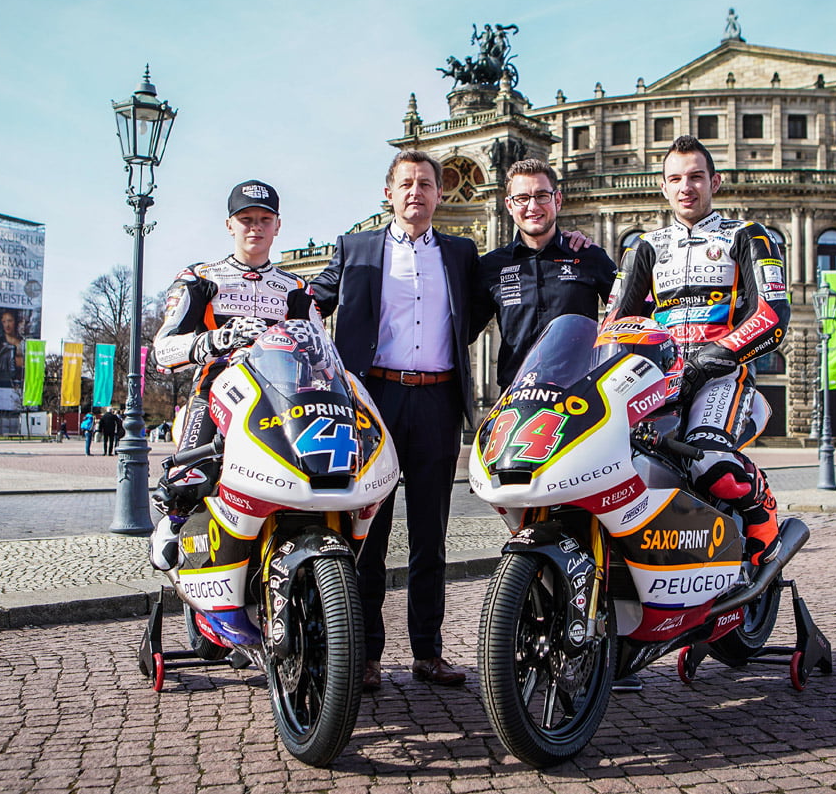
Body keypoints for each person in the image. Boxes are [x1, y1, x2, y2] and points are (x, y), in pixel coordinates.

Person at [311, 150, 477, 690]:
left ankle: (428, 652)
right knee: (369, 533)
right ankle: (366, 655)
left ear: (439, 194)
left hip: (437, 401)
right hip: (373, 397)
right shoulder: (355, 248)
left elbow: (490, 301)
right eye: (406, 184)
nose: (415, 193)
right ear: (389, 193)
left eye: (425, 184)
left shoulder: (461, 253)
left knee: (431, 535)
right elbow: (310, 301)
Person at [603, 135, 791, 568]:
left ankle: (760, 505)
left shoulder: (748, 236)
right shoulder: (644, 247)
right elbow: (613, 323)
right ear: (663, 187)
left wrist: (709, 360)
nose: (685, 187)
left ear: (715, 182)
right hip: (657, 378)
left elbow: (772, 315)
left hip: (722, 376)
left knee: (709, 464)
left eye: (696, 177)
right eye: (675, 179)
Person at [148, 180, 324, 572]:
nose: (255, 227)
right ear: (230, 224)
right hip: (215, 391)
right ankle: (174, 520)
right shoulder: (200, 278)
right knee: (191, 477)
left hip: (281, 399)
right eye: (246, 219)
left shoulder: (296, 287)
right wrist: (214, 340)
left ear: (278, 225)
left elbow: (320, 350)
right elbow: (161, 350)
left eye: (264, 219)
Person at [470, 158, 616, 390]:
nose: (533, 206)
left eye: (541, 196)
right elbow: (464, 331)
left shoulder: (590, 256)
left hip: (581, 396)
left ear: (557, 200)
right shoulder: (491, 266)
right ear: (509, 205)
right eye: (522, 198)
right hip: (516, 397)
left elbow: (628, 315)